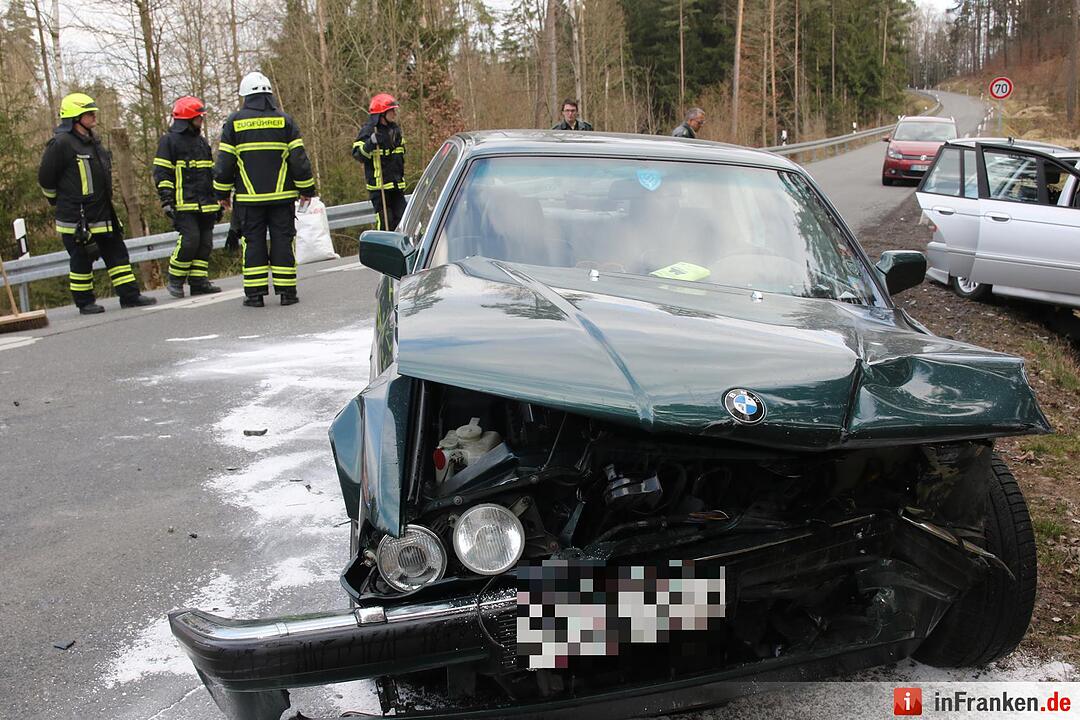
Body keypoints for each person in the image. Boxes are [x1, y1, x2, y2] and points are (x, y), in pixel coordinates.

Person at [37, 93, 156, 314]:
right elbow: (46, 179)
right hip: (77, 218)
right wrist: (57, 201)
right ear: (75, 117)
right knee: (82, 260)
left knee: (118, 255)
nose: (94, 116)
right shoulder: (61, 144)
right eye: (89, 113)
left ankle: (130, 296)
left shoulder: (94, 142)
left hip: (102, 212)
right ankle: (85, 303)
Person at [214, 71, 316, 308]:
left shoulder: (234, 123)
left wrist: (222, 194)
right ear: (269, 94)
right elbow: (299, 160)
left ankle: (255, 295)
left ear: (245, 96)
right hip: (282, 199)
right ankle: (287, 293)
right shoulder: (285, 121)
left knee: (253, 243)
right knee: (283, 241)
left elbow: (225, 163)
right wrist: (306, 189)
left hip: (249, 199)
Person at [154, 96, 222, 298]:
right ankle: (175, 279)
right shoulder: (169, 141)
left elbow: (210, 173)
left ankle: (198, 281)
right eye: (198, 117)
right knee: (190, 241)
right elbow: (162, 172)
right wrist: (167, 199)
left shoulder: (201, 142)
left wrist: (218, 200)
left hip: (206, 203)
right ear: (187, 119)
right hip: (184, 203)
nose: (201, 121)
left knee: (205, 243)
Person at [352, 93, 407, 232]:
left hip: (396, 186)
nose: (394, 113)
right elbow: (358, 154)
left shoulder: (395, 130)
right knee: (385, 222)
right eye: (391, 110)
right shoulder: (369, 131)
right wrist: (370, 143)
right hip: (380, 188)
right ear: (381, 114)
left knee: (404, 220)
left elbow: (401, 153)